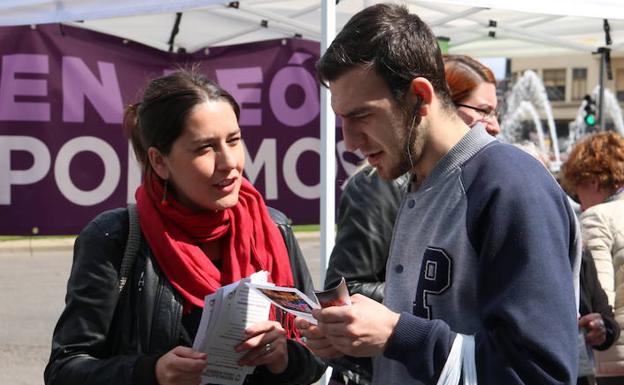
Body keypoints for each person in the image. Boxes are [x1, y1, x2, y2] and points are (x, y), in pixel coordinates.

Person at [296, 4, 580, 385]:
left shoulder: (510, 186)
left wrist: (396, 334)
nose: (348, 141)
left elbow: (539, 373)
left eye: (362, 116)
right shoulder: (418, 182)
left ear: (419, 96)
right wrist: (357, 343)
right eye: (341, 119)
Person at [44, 70, 326, 385]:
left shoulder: (273, 228)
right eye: (205, 148)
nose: (229, 162)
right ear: (159, 161)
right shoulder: (115, 238)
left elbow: (317, 351)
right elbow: (64, 369)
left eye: (234, 140)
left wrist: (284, 357)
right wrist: (152, 372)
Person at [323, 54, 502, 385]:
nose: (494, 124)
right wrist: (414, 311)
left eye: (495, 111)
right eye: (483, 111)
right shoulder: (379, 183)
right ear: (439, 102)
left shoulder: (498, 182)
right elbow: (346, 284)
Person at [560, 131, 624, 385]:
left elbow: (599, 296)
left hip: (614, 361)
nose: (580, 203)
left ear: (593, 181)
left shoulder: (598, 217)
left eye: (577, 192)